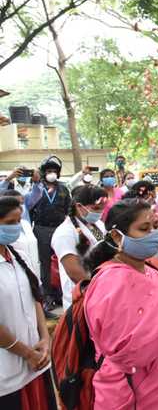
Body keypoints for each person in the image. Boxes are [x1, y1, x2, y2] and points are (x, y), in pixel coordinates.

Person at [83, 198, 158, 409]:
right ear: (116, 236)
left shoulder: (150, 270)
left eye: (155, 227)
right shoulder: (110, 283)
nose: (153, 234)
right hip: (144, 392)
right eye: (144, 229)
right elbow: (133, 352)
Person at [0, 196, 57, 410]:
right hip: (8, 368)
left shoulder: (19, 256)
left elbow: (35, 299)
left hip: (36, 361)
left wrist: (44, 338)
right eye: (9, 223)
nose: (15, 229)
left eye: (17, 222)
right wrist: (27, 353)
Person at [25, 155, 71, 312]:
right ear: (44, 172)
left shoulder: (64, 189)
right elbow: (29, 209)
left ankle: (61, 292)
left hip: (60, 229)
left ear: (58, 173)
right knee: (44, 264)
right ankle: (47, 296)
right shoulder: (36, 188)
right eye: (49, 171)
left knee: (63, 261)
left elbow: (68, 210)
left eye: (54, 171)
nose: (52, 173)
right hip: (41, 229)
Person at [51, 185, 107, 310]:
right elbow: (75, 273)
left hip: (102, 288)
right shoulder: (65, 233)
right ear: (79, 206)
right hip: (84, 295)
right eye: (96, 208)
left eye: (102, 209)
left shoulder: (97, 224)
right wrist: (101, 291)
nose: (99, 213)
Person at [1, 190, 40, 281]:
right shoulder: (5, 232)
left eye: (21, 203)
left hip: (33, 275)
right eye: (10, 222)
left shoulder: (26, 224)